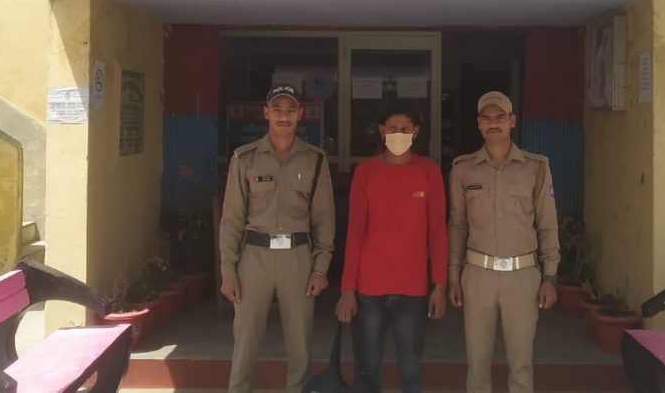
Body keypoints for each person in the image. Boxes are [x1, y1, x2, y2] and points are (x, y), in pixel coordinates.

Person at [219, 85, 335, 393]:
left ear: (300, 114)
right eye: (277, 109)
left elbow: (324, 219)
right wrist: (228, 272)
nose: (284, 116)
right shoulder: (245, 158)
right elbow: (231, 220)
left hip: (297, 258)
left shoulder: (315, 160)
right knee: (245, 339)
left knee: (300, 341)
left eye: (290, 110)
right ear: (266, 113)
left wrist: (320, 268)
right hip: (254, 257)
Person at [447, 91, 560, 393]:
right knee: (477, 364)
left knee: (521, 364)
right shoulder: (463, 169)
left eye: (500, 117)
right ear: (478, 124)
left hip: (522, 277)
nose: (493, 123)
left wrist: (550, 277)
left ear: (512, 121)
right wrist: (453, 276)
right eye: (486, 118)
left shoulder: (535, 167)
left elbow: (547, 225)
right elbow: (457, 225)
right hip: (478, 275)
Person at [336, 106, 448, 393]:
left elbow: (437, 233)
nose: (399, 134)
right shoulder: (366, 172)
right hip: (369, 288)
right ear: (382, 131)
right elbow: (355, 233)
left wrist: (440, 285)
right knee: (367, 371)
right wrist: (348, 289)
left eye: (406, 129)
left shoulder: (429, 172)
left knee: (410, 371)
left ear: (416, 132)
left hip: (413, 288)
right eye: (393, 128)